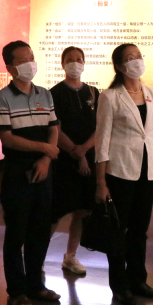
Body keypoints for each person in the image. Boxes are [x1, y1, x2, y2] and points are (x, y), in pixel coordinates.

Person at [94, 43, 153, 305]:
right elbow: (102, 141)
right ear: (119, 66)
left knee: (140, 230)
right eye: (130, 58)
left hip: (147, 172)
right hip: (120, 172)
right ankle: (119, 285)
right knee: (118, 231)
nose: (137, 61)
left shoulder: (152, 94)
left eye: (139, 56)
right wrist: (100, 181)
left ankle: (138, 279)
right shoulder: (110, 97)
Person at [0, 41, 61, 305]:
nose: (30, 64)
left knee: (40, 230)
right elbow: (8, 139)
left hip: (44, 168)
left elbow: (53, 128)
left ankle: (36, 285)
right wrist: (43, 149)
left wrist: (46, 159)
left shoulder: (45, 93)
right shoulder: (2, 97)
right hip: (17, 170)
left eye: (31, 57)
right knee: (16, 232)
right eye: (22, 60)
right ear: (10, 68)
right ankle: (16, 291)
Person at [50, 46, 99, 276]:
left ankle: (70, 256)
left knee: (82, 211)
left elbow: (101, 126)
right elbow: (55, 129)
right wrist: (76, 153)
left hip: (89, 158)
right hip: (63, 160)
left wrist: (85, 150)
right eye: (70, 59)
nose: (75, 63)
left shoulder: (94, 93)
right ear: (62, 64)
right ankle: (36, 259)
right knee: (54, 213)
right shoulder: (54, 93)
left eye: (79, 59)